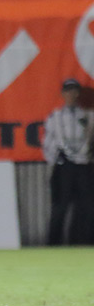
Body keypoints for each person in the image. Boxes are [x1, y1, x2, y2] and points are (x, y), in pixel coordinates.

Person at [42, 78, 94, 245]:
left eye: (74, 91)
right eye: (68, 91)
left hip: (84, 166)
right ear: (62, 94)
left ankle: (83, 243)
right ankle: (54, 244)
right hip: (63, 166)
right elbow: (48, 142)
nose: (71, 94)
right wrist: (56, 159)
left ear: (78, 94)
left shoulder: (88, 116)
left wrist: (86, 156)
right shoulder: (55, 116)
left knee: (87, 206)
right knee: (60, 206)